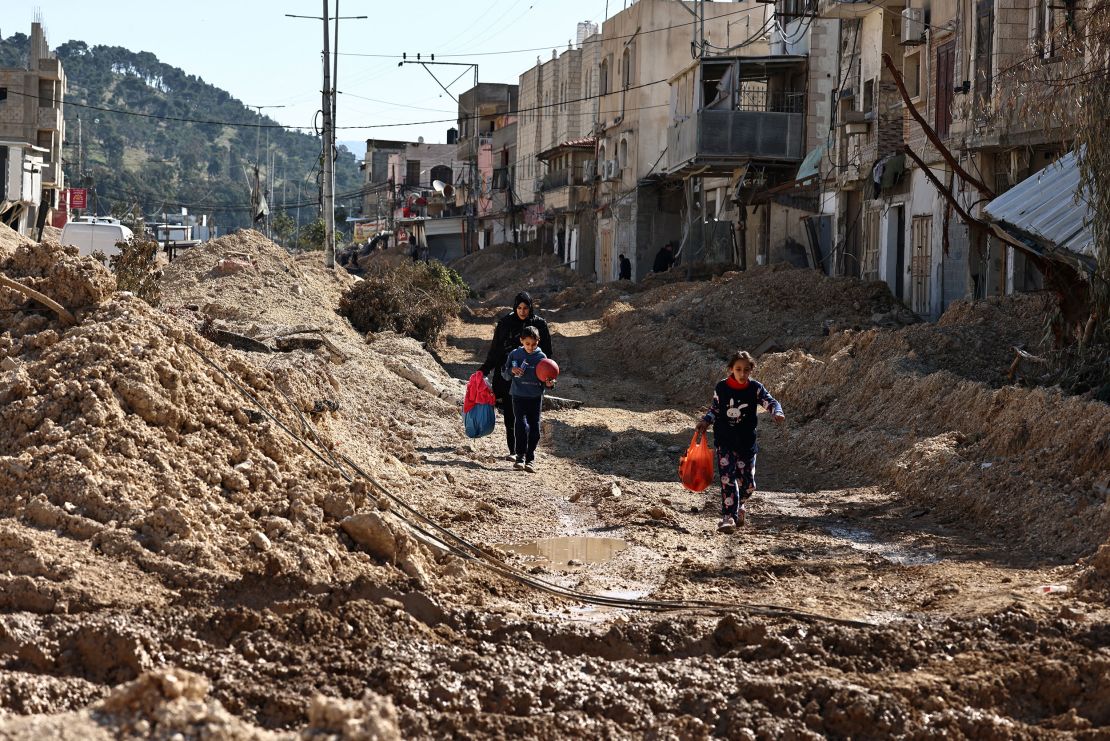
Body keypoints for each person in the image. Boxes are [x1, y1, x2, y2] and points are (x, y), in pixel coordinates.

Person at [695, 350, 785, 533]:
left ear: (751, 370)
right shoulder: (722, 388)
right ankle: (728, 518)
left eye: (746, 370)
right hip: (725, 440)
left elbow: (770, 401)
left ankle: (740, 504)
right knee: (727, 479)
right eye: (738, 369)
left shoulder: (755, 388)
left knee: (749, 484)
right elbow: (715, 409)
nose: (742, 374)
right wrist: (706, 421)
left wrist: (777, 412)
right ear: (731, 369)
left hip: (746, 443)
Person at [479, 291, 554, 460]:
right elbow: (495, 351)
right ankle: (514, 452)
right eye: (519, 308)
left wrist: (547, 377)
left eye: (526, 308)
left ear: (530, 308)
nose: (522, 311)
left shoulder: (539, 325)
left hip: (532, 379)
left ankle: (527, 452)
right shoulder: (505, 323)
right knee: (511, 416)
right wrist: (484, 369)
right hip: (508, 376)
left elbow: (547, 354)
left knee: (531, 420)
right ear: (515, 308)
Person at [502, 326, 555, 472]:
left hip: (535, 398)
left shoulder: (541, 358)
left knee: (535, 430)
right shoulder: (515, 355)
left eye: (534, 344)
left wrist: (550, 384)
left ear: (538, 341)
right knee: (521, 425)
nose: (531, 347)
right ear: (521, 341)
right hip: (518, 396)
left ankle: (530, 458)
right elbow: (505, 375)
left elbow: (547, 380)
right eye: (527, 344)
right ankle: (520, 457)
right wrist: (512, 371)